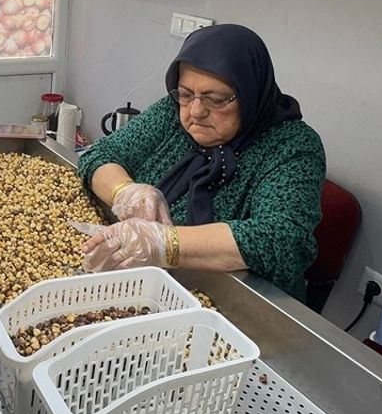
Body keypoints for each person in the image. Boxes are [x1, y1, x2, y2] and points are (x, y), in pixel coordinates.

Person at [76, 24, 325, 302]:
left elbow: (282, 239)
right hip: (147, 282)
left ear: (250, 94)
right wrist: (124, 190)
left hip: (237, 301)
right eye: (185, 94)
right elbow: (100, 154)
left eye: (216, 99)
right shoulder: (173, 112)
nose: (195, 111)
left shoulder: (292, 146)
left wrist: (165, 243)